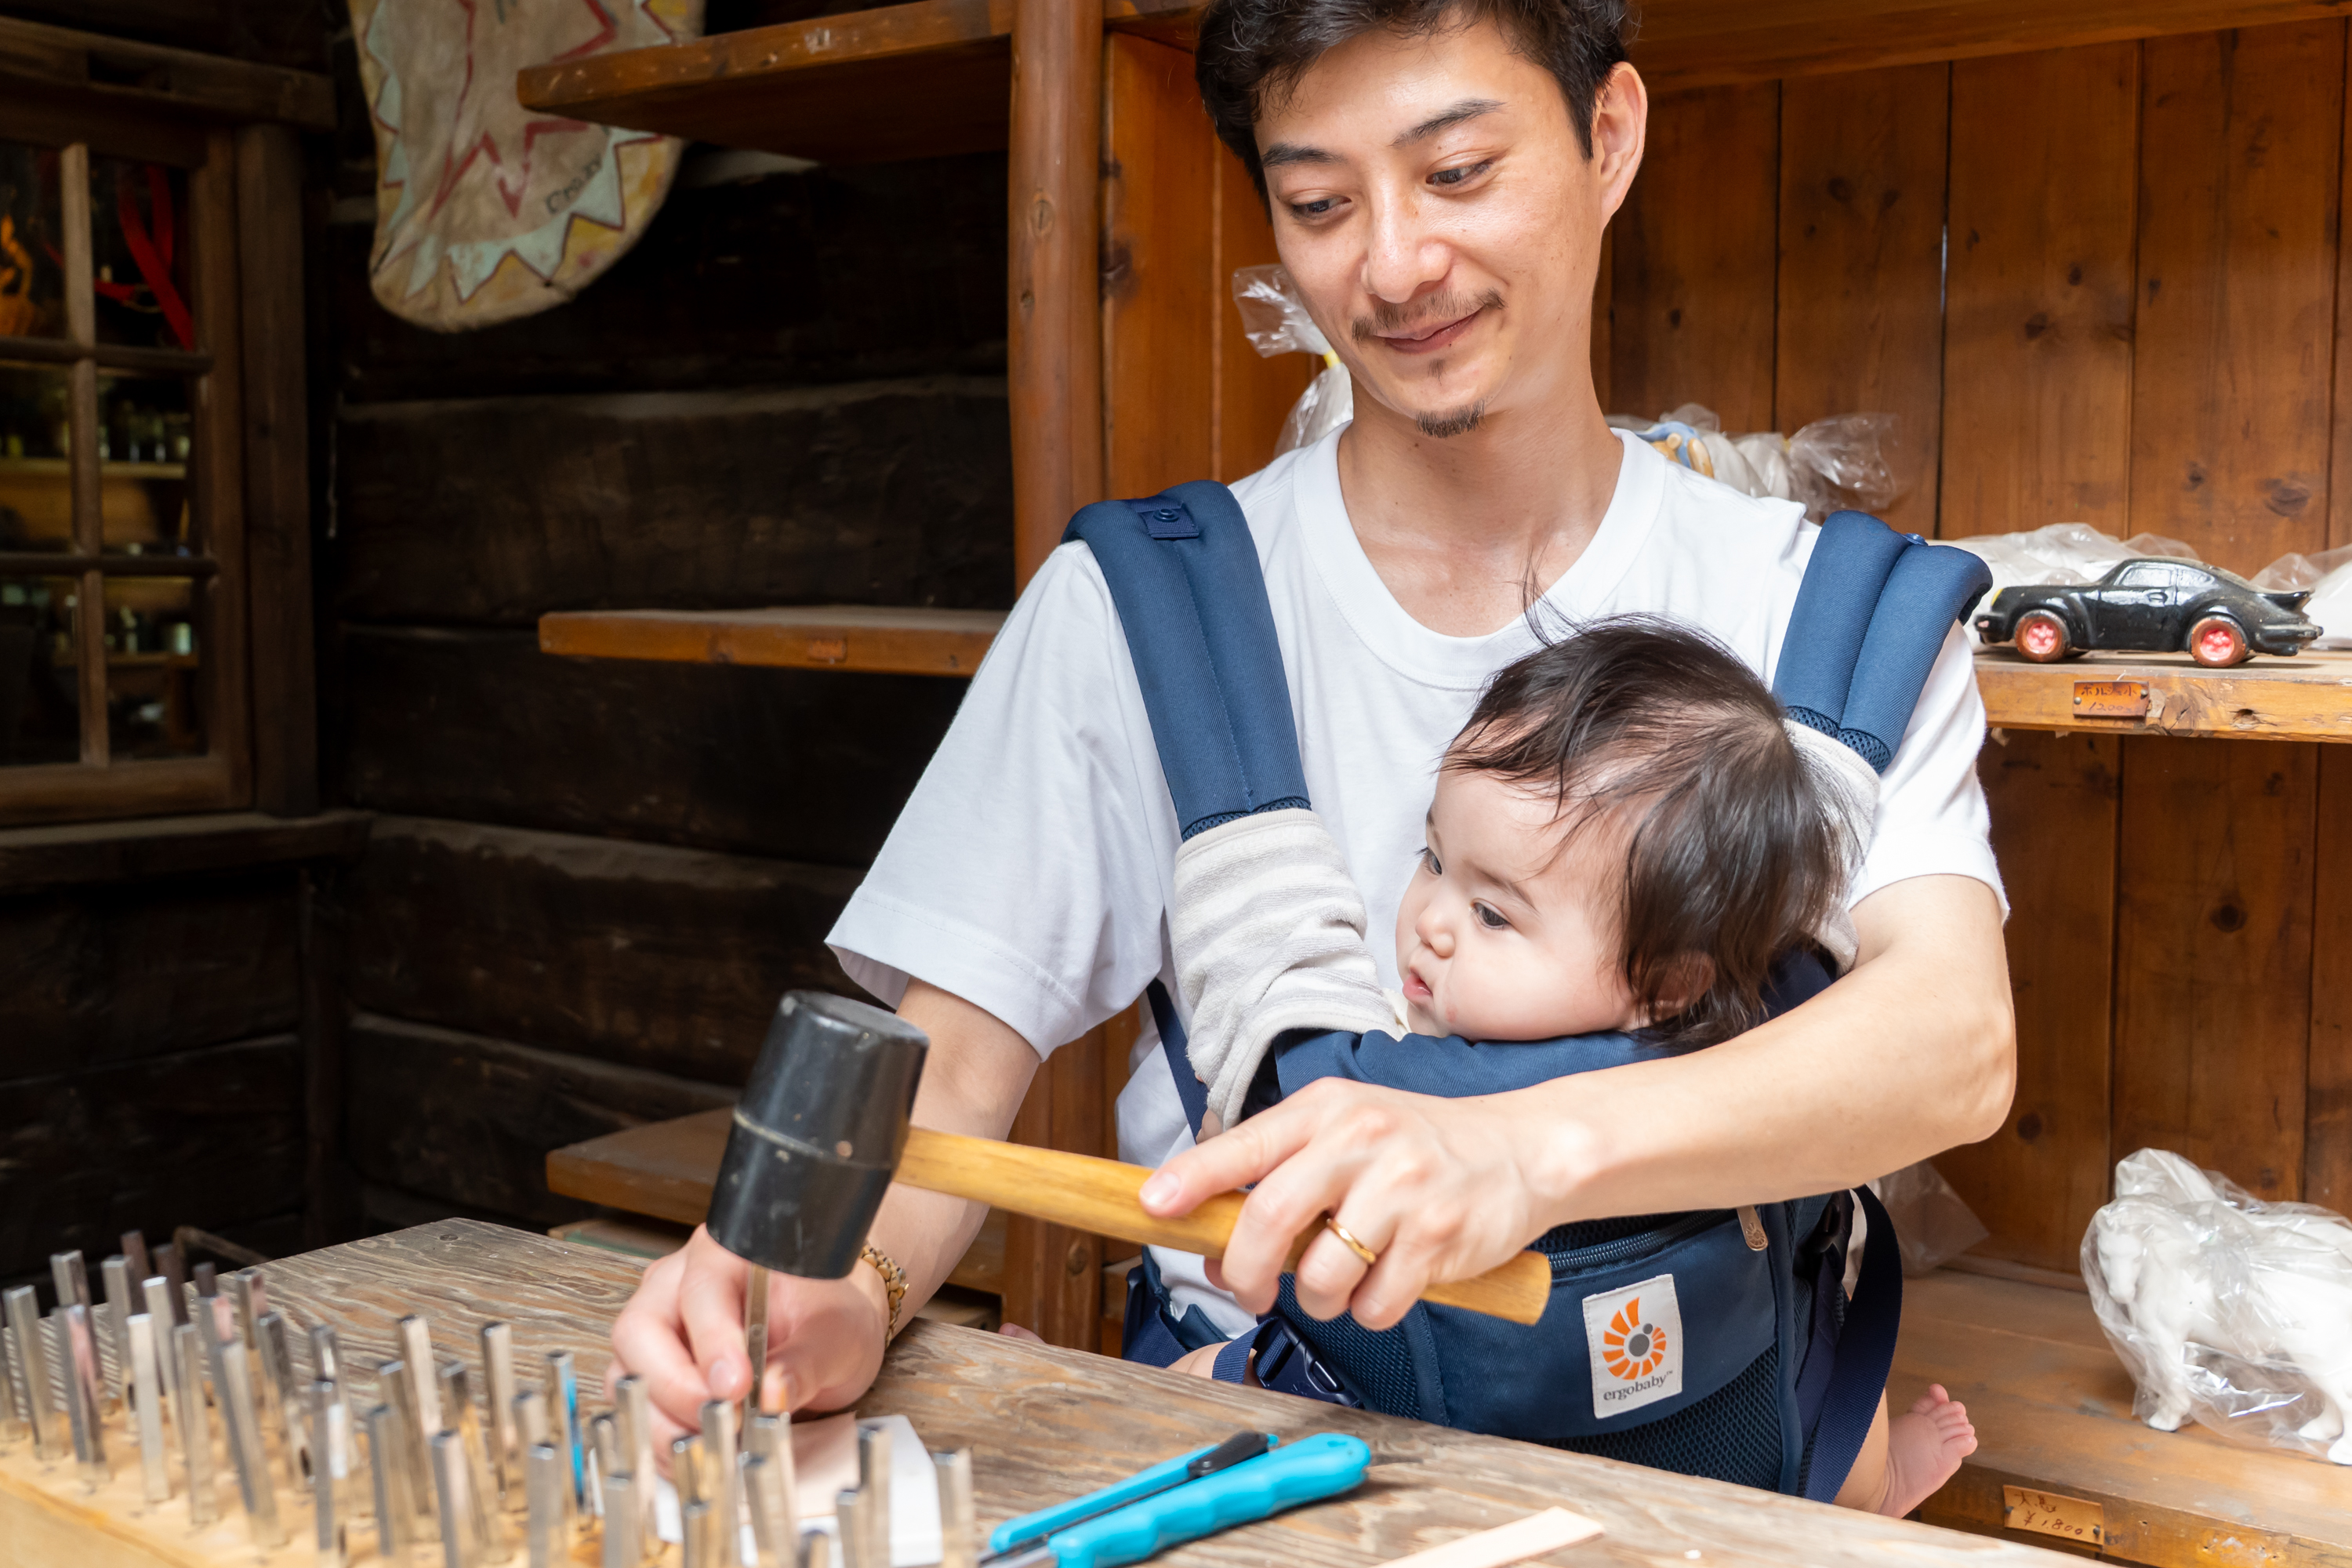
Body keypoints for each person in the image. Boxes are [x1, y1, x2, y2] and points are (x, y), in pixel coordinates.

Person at [608, 0, 2015, 1462]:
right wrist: (848, 1285)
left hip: (1716, 1484)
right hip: (1270, 1482)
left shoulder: (1826, 613)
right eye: (1319, 203)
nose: (1395, 265)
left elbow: (1953, 1041)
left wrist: (1523, 1151)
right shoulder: (1144, 609)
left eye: (1457, 172)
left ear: (1609, 138)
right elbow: (949, 1075)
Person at [1149, 616, 1980, 1515]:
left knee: (1197, 1380)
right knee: (1819, 1323)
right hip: (1606, 1441)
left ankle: (1876, 1486)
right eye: (1434, 860)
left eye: (1494, 915)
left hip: (1552, 1436)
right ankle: (1862, 1481)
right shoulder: (1747, 1029)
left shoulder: (1729, 1071)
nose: (1432, 919)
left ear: (1664, 983)